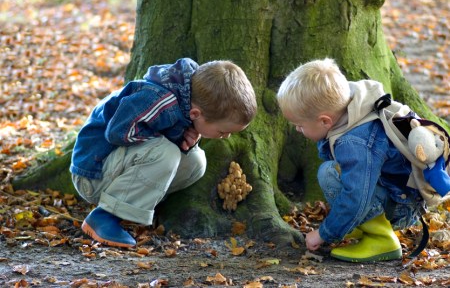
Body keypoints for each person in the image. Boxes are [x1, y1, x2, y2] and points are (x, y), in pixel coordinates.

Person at [70, 58, 257, 248]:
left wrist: (181, 136)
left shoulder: (187, 100)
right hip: (92, 174)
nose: (226, 137)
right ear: (195, 114)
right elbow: (117, 132)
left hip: (114, 167)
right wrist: (172, 134)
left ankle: (134, 205)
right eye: (222, 131)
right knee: (166, 152)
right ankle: (103, 217)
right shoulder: (157, 99)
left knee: (195, 162)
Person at [276, 58, 423, 262]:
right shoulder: (352, 107)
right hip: (396, 191)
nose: (297, 130)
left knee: (329, 174)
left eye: (299, 125)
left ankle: (382, 239)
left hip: (403, 206)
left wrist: (324, 234)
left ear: (325, 121)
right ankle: (356, 224)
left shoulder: (354, 143)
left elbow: (356, 197)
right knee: (333, 171)